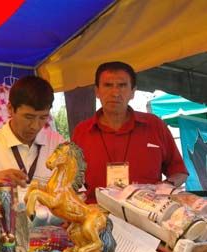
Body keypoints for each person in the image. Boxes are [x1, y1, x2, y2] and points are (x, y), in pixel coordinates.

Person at [72, 61, 188, 203]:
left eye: (122, 85)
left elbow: (179, 171)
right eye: (108, 85)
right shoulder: (81, 132)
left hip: (146, 218)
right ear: (97, 91)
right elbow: (71, 181)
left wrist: (166, 186)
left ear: (133, 92)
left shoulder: (154, 125)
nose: (115, 93)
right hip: (96, 219)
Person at [0, 75, 65, 199]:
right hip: (4, 218)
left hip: (53, 219)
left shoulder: (58, 144)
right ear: (10, 109)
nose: (35, 126)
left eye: (43, 117)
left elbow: (75, 193)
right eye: (28, 117)